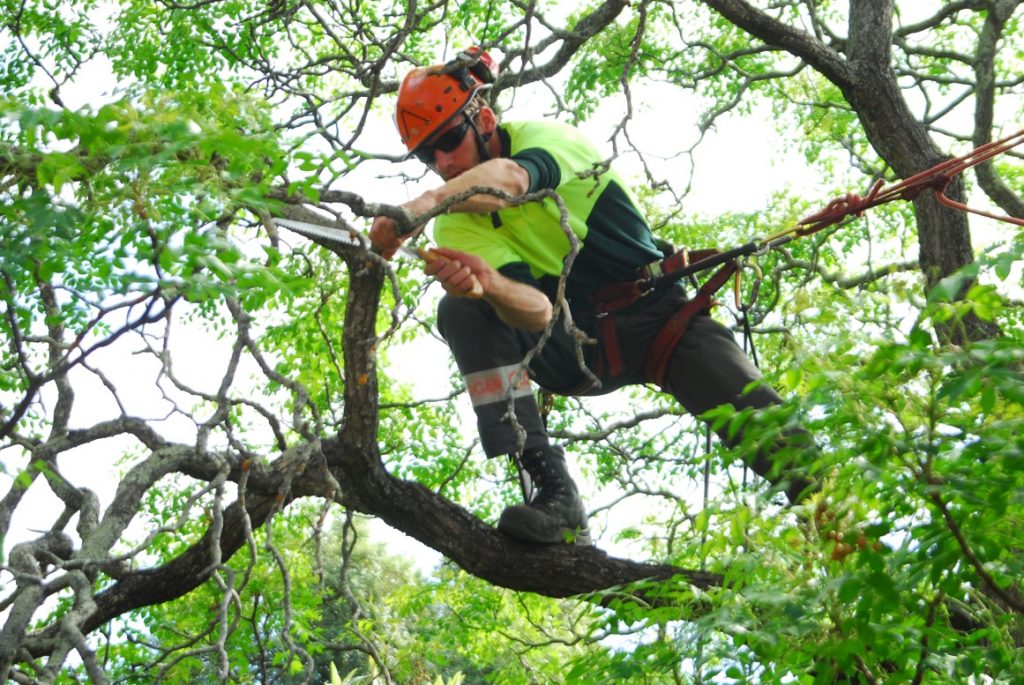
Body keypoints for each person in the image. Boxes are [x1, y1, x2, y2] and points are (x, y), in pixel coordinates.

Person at [370, 50, 814, 546]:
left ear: (486, 119)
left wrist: (423, 203)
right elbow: (537, 312)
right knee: (461, 309)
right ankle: (554, 491)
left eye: (449, 140)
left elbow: (514, 181)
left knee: (782, 445)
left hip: (661, 320)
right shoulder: (457, 224)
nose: (443, 163)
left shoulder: (548, 141)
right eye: (427, 156)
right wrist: (488, 286)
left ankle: (844, 528)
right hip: (578, 348)